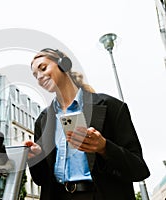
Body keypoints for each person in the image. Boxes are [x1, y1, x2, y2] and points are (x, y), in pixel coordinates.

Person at [23, 48, 150, 200]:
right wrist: (35, 158)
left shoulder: (111, 107)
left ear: (64, 64)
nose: (39, 77)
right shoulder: (43, 120)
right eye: (35, 75)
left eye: (43, 68)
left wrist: (104, 147)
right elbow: (41, 180)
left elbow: (139, 169)